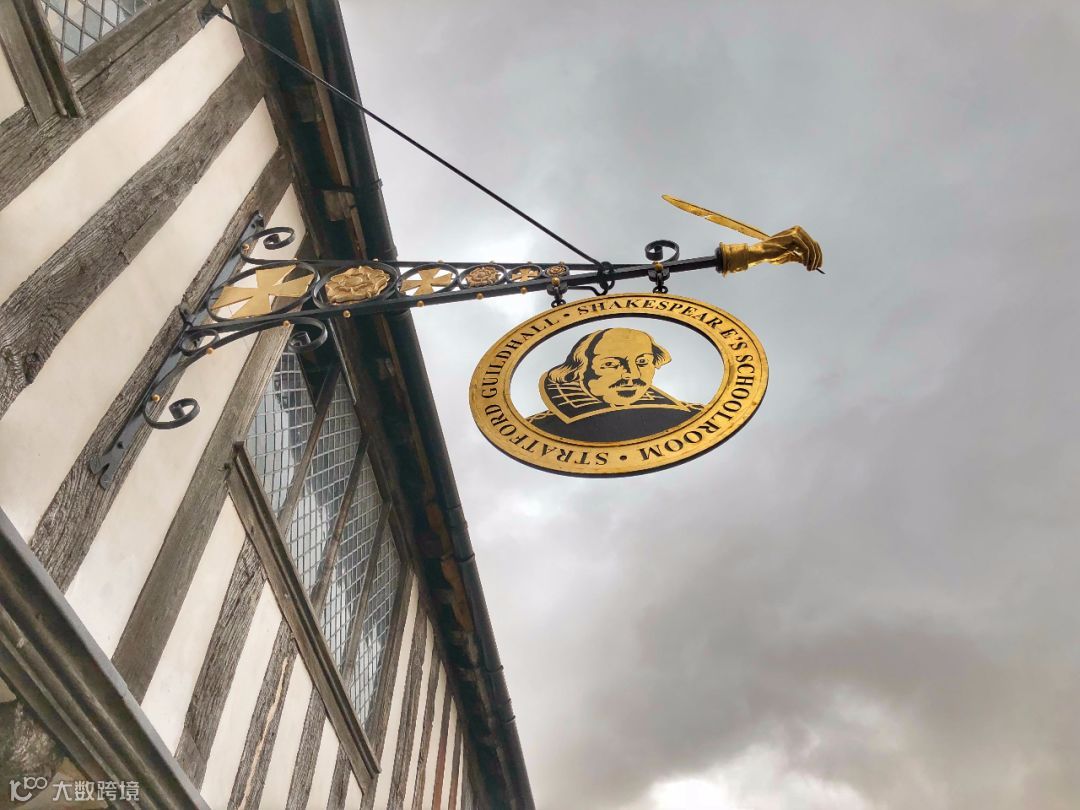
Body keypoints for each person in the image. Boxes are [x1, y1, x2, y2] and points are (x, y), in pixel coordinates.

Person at [528, 328, 701, 442]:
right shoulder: (541, 430)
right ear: (579, 370)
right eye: (611, 364)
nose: (632, 374)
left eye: (642, 362)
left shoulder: (693, 416)